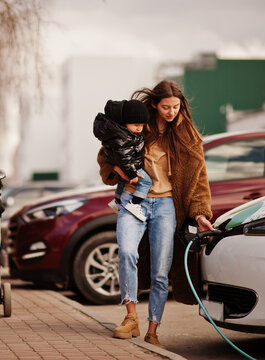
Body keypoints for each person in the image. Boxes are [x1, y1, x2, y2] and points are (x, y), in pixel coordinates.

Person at [96, 80, 214, 349]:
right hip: (132, 200)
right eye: (166, 107)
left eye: (175, 107)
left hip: (165, 206)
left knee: (161, 272)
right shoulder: (137, 125)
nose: (171, 112)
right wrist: (121, 173)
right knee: (127, 252)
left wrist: (199, 214)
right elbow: (107, 153)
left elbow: (199, 180)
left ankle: (153, 330)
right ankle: (130, 317)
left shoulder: (187, 137)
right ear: (155, 104)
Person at [93, 99, 152, 221]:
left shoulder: (123, 134)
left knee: (121, 182)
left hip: (126, 166)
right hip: (131, 168)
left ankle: (117, 201)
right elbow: (124, 157)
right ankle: (135, 204)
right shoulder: (124, 138)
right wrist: (131, 174)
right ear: (125, 123)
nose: (139, 129)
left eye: (142, 125)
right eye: (136, 125)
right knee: (146, 182)